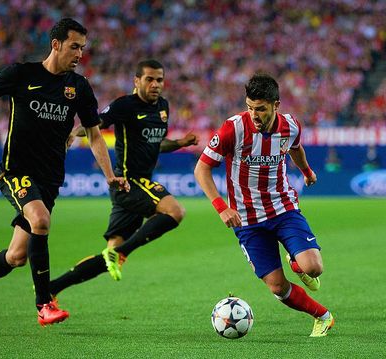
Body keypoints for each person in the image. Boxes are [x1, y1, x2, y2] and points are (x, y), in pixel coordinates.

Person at [0, 18, 128, 327]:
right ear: (56, 44)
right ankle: (44, 302)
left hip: (49, 180)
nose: (79, 54)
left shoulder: (78, 87)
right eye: (74, 47)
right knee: (41, 220)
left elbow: (95, 134)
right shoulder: (21, 74)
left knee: (16, 256)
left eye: (83, 48)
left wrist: (109, 174)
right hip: (16, 171)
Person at [194, 73, 334, 337]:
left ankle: (296, 261)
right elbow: (202, 169)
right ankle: (323, 316)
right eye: (250, 107)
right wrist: (221, 207)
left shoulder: (290, 125)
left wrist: (306, 171)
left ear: (275, 105)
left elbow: (295, 148)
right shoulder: (233, 128)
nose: (254, 114)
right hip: (247, 220)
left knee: (313, 268)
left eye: (260, 109)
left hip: (283, 208)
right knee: (277, 287)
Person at [49, 59, 198, 298]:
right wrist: (72, 132)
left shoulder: (163, 107)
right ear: (136, 81)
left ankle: (51, 288)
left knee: (108, 257)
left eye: (159, 79)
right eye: (149, 79)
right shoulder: (125, 105)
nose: (155, 84)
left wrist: (179, 143)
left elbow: (156, 142)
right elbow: (94, 125)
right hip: (129, 182)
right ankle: (122, 252)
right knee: (175, 212)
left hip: (135, 188)